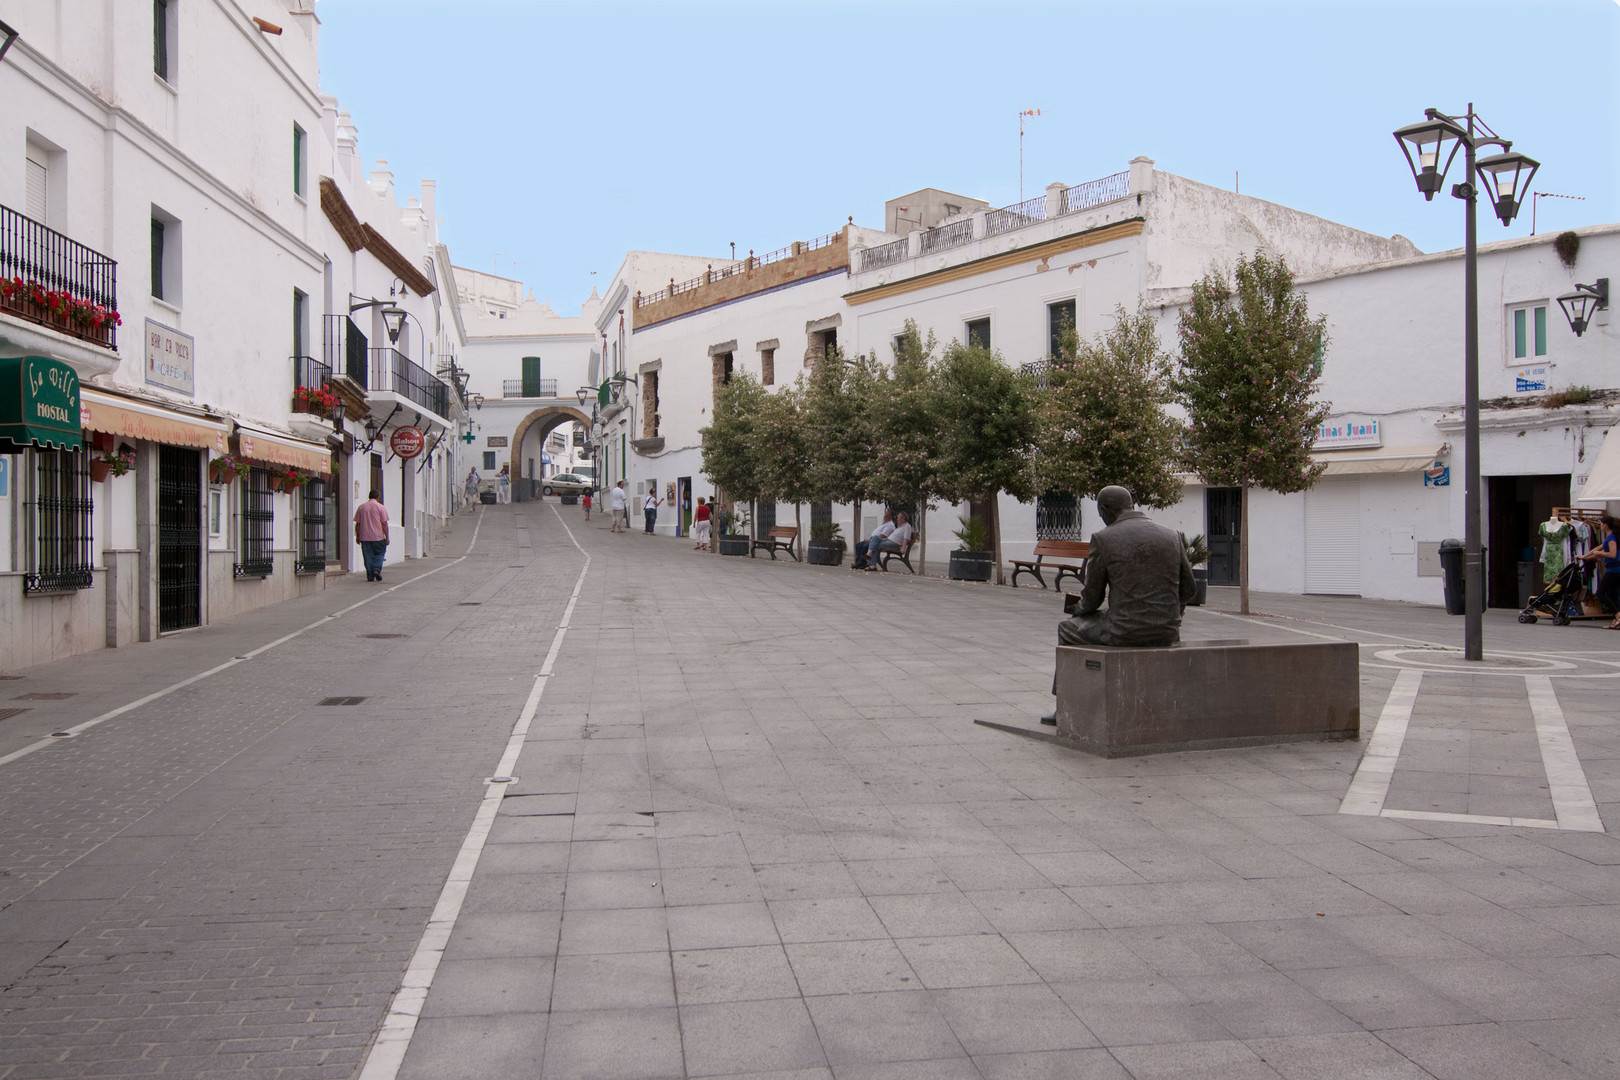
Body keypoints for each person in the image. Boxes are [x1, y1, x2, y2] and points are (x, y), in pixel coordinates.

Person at [1044, 485, 1197, 723]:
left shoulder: (1104, 538)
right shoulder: (1171, 535)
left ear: (1105, 509)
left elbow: (1092, 598)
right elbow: (1189, 589)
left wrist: (1078, 609)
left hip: (1124, 630)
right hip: (1167, 630)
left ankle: (1064, 707)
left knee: (1067, 629)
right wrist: (1170, 617)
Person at [1577, 514, 1620, 628]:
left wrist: (1599, 554)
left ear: (1605, 525)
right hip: (1614, 569)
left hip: (1614, 570)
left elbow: (1612, 554)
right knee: (1613, 594)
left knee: (1601, 593)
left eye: (1601, 524)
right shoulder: (1610, 537)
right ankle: (1617, 619)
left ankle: (1618, 615)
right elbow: (1597, 549)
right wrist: (1585, 557)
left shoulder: (1611, 538)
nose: (1600, 526)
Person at [353, 489, 390, 583]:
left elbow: (358, 524)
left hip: (365, 536)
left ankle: (370, 575)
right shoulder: (381, 507)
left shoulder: (361, 507)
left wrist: (357, 536)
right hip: (378, 536)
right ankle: (376, 569)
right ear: (378, 497)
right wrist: (387, 536)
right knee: (380, 553)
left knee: (367, 556)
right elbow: (384, 524)